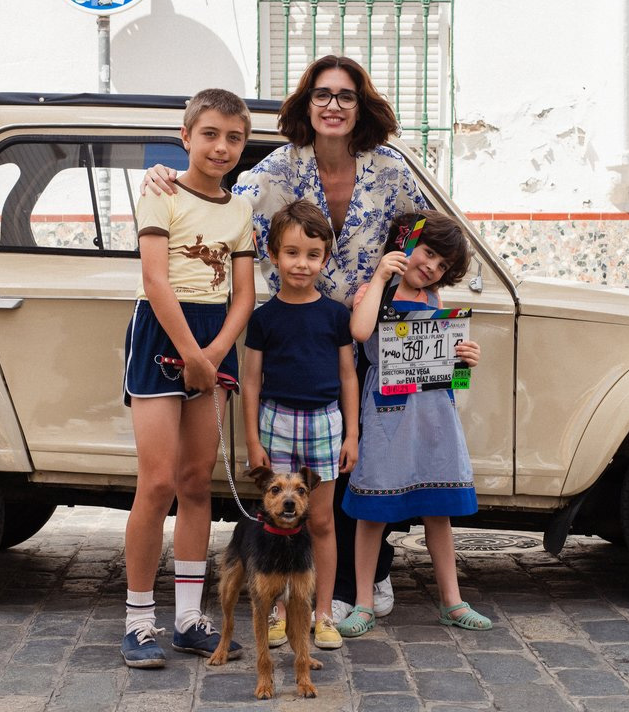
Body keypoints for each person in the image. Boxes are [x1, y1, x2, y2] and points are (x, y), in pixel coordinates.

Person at [143, 55, 428, 620]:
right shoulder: (278, 168)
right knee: (310, 463)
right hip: (295, 328)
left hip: (369, 333)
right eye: (322, 95)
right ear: (306, 103)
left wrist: (393, 277)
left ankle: (372, 570)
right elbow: (221, 204)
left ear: (360, 105)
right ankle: (308, 588)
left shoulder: (390, 166)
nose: (333, 106)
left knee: (364, 453)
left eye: (345, 96)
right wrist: (168, 178)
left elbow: (419, 225)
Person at [120, 88, 257, 668]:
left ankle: (188, 618)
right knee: (156, 483)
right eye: (210, 134)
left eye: (233, 137)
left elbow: (244, 292)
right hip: (162, 333)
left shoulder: (240, 209)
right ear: (186, 137)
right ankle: (137, 620)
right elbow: (156, 281)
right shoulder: (160, 192)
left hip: (213, 336)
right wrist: (192, 355)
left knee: (197, 481)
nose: (221, 146)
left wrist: (217, 353)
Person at [335, 211, 492, 638]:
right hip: (386, 415)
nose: (431, 267)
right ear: (407, 246)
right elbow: (360, 330)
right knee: (372, 512)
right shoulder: (373, 292)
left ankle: (452, 601)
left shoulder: (434, 301)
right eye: (428, 254)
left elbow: (445, 367)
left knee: (438, 510)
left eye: (442, 266)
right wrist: (383, 275)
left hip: (432, 415)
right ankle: (363, 602)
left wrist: (464, 357)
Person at [242, 200, 358, 651]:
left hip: (326, 423)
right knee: (277, 524)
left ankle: (322, 612)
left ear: (325, 258)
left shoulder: (334, 315)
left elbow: (348, 375)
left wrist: (352, 433)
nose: (301, 264)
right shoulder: (263, 318)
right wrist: (253, 439)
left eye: (312, 254)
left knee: (322, 522)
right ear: (273, 253)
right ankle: (279, 611)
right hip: (277, 422)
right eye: (291, 252)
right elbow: (251, 382)